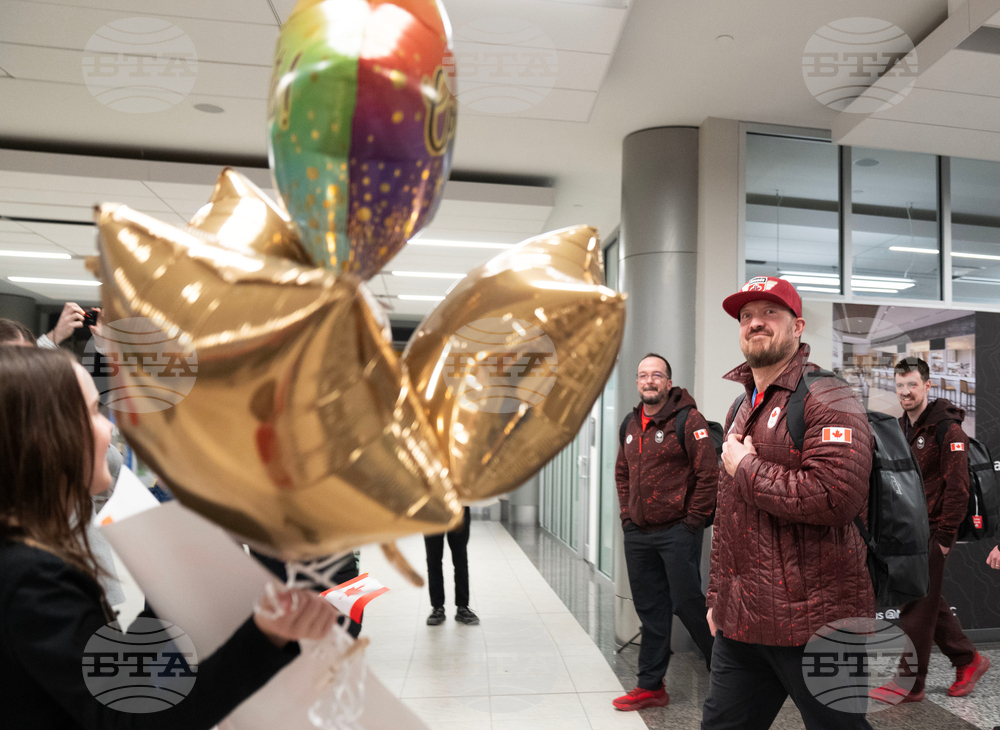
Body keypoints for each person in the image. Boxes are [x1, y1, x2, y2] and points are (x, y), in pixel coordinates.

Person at [0, 345, 339, 729]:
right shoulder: (33, 578)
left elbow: (113, 678)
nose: (110, 427)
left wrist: (171, 584)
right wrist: (263, 638)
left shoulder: (25, 561)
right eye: (94, 412)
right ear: (44, 435)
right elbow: (127, 714)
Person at [702, 276, 874, 730]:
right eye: (746, 316)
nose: (755, 322)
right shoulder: (741, 407)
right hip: (744, 623)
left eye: (770, 313)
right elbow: (730, 516)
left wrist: (748, 469)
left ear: (797, 327)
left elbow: (836, 496)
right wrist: (718, 597)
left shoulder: (830, 397)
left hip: (820, 624)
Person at [869, 357, 990, 704]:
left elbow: (958, 488)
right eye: (900, 385)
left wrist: (946, 538)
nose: (906, 392)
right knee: (925, 600)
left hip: (935, 533)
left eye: (912, 385)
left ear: (927, 386)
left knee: (916, 606)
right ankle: (968, 659)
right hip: (909, 532)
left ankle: (910, 683)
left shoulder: (947, 429)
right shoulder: (902, 428)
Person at [611, 353, 718, 711]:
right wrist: (628, 518)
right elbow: (622, 473)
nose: (649, 380)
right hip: (638, 534)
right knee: (651, 610)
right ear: (638, 382)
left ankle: (726, 671)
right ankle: (651, 686)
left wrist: (691, 522)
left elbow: (709, 475)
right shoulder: (629, 423)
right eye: (643, 375)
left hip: (677, 531)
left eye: (657, 375)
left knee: (689, 606)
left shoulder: (688, 420)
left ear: (669, 382)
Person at [424, 506, 479, 626]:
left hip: (458, 508)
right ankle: (437, 607)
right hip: (431, 509)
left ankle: (462, 607)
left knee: (460, 559)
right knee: (433, 560)